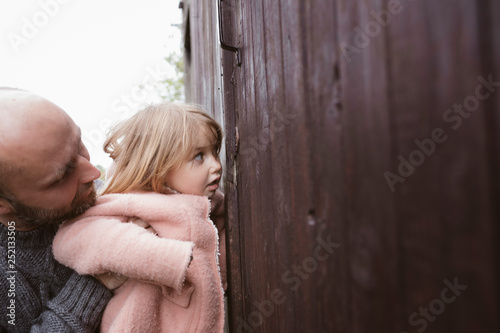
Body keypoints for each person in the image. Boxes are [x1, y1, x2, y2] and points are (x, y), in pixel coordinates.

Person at [52, 103, 227, 332]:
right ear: (158, 166)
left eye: (215, 152)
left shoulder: (212, 206)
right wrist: (162, 257)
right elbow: (72, 238)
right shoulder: (131, 203)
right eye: (199, 156)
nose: (216, 165)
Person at [0, 88, 112, 332]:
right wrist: (97, 278)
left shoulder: (113, 196)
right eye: (61, 176)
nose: (93, 173)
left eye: (79, 144)